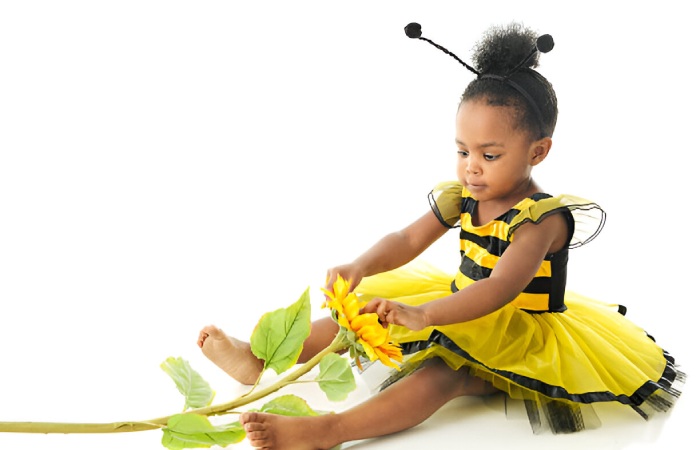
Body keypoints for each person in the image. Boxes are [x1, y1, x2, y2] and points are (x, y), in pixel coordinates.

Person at [196, 22, 684, 449]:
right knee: (362, 311)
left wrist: (424, 315)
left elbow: (501, 289)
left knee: (442, 375)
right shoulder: (462, 196)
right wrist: (362, 265)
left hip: (515, 331)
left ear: (538, 151)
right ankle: (260, 360)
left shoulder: (542, 219)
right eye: (462, 150)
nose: (472, 167)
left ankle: (329, 431)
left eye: (489, 155)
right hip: (455, 301)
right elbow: (407, 241)